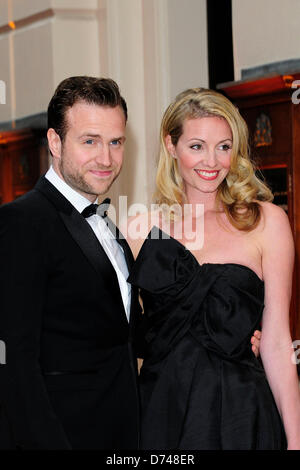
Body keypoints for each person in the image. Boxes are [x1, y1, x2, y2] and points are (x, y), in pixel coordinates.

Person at [126, 88, 300, 450]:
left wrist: (296, 442)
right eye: (196, 146)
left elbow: (279, 343)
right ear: (171, 146)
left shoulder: (267, 221)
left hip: (242, 415)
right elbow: (118, 336)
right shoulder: (138, 230)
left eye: (224, 146)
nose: (212, 161)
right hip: (162, 412)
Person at [0, 76, 142, 449]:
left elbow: (123, 337)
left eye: (116, 142)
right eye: (90, 141)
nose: (106, 158)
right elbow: (15, 365)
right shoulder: (22, 223)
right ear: (55, 143)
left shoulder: (106, 224)